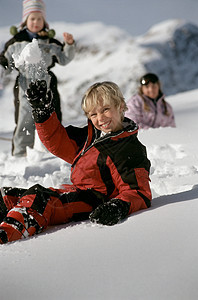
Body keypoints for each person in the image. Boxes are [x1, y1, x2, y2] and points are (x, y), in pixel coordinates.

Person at [0, 80, 152, 244]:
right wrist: (42, 112)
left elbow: (139, 192)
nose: (100, 118)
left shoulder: (128, 148)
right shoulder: (92, 136)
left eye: (106, 110)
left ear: (121, 106)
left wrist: (118, 206)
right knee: (8, 196)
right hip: (78, 191)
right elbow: (58, 141)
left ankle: (6, 233)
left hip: (94, 201)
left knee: (38, 200)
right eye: (93, 114)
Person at [0, 0, 75, 157]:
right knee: (24, 119)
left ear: (44, 21)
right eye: (32, 18)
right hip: (24, 84)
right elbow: (5, 62)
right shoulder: (16, 41)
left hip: (47, 83)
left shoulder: (49, 41)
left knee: (51, 116)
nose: (36, 22)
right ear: (25, 21)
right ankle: (21, 154)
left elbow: (64, 59)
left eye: (39, 18)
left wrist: (69, 45)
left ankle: (54, 152)